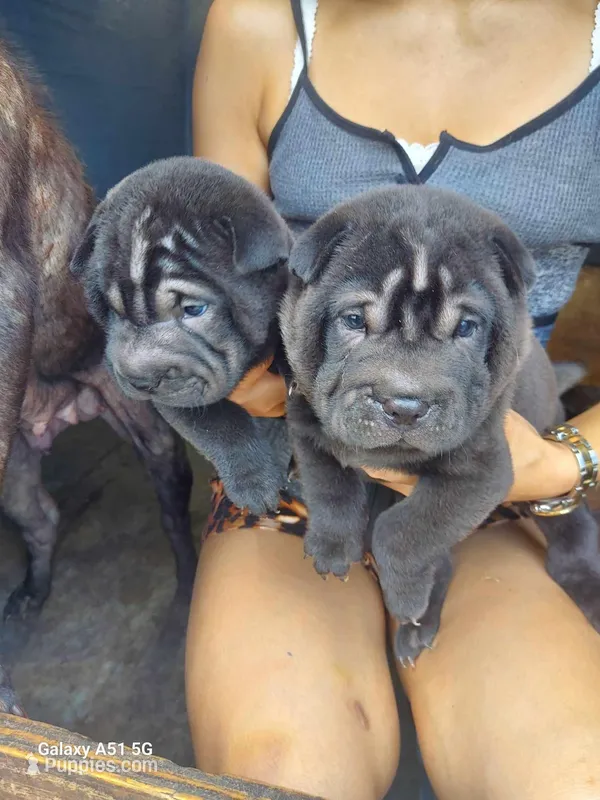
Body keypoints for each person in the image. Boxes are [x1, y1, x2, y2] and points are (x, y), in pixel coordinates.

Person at [186, 1, 600, 798]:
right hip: (297, 455)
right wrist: (248, 378)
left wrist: (560, 464)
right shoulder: (259, 19)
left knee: (571, 778)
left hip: (497, 471)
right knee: (276, 771)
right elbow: (218, 289)